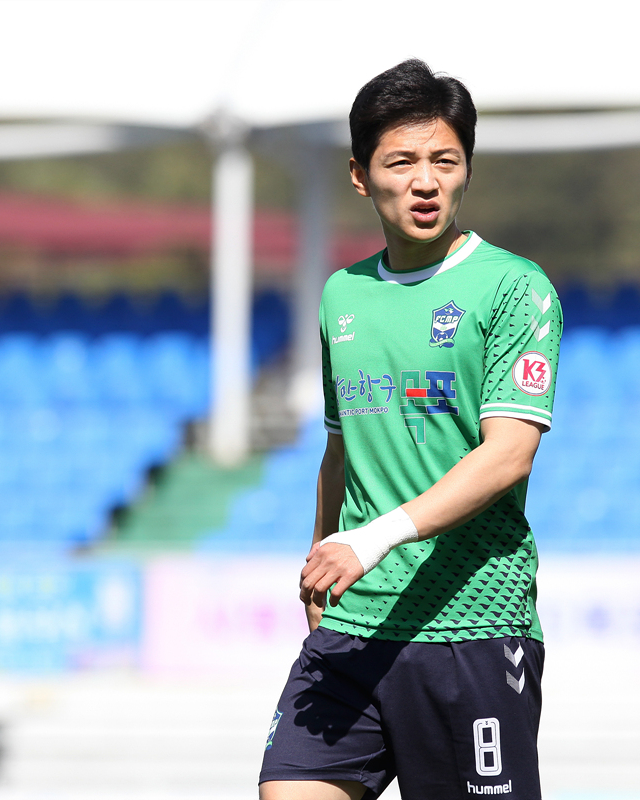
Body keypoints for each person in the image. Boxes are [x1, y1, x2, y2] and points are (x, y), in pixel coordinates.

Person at [259, 59, 562, 800]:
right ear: (361, 176)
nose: (425, 181)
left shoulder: (515, 287)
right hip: (355, 626)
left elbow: (509, 456)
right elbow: (340, 449)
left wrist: (370, 540)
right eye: (401, 162)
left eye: (444, 161)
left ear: (467, 171)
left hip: (472, 626)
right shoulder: (341, 295)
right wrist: (322, 555)